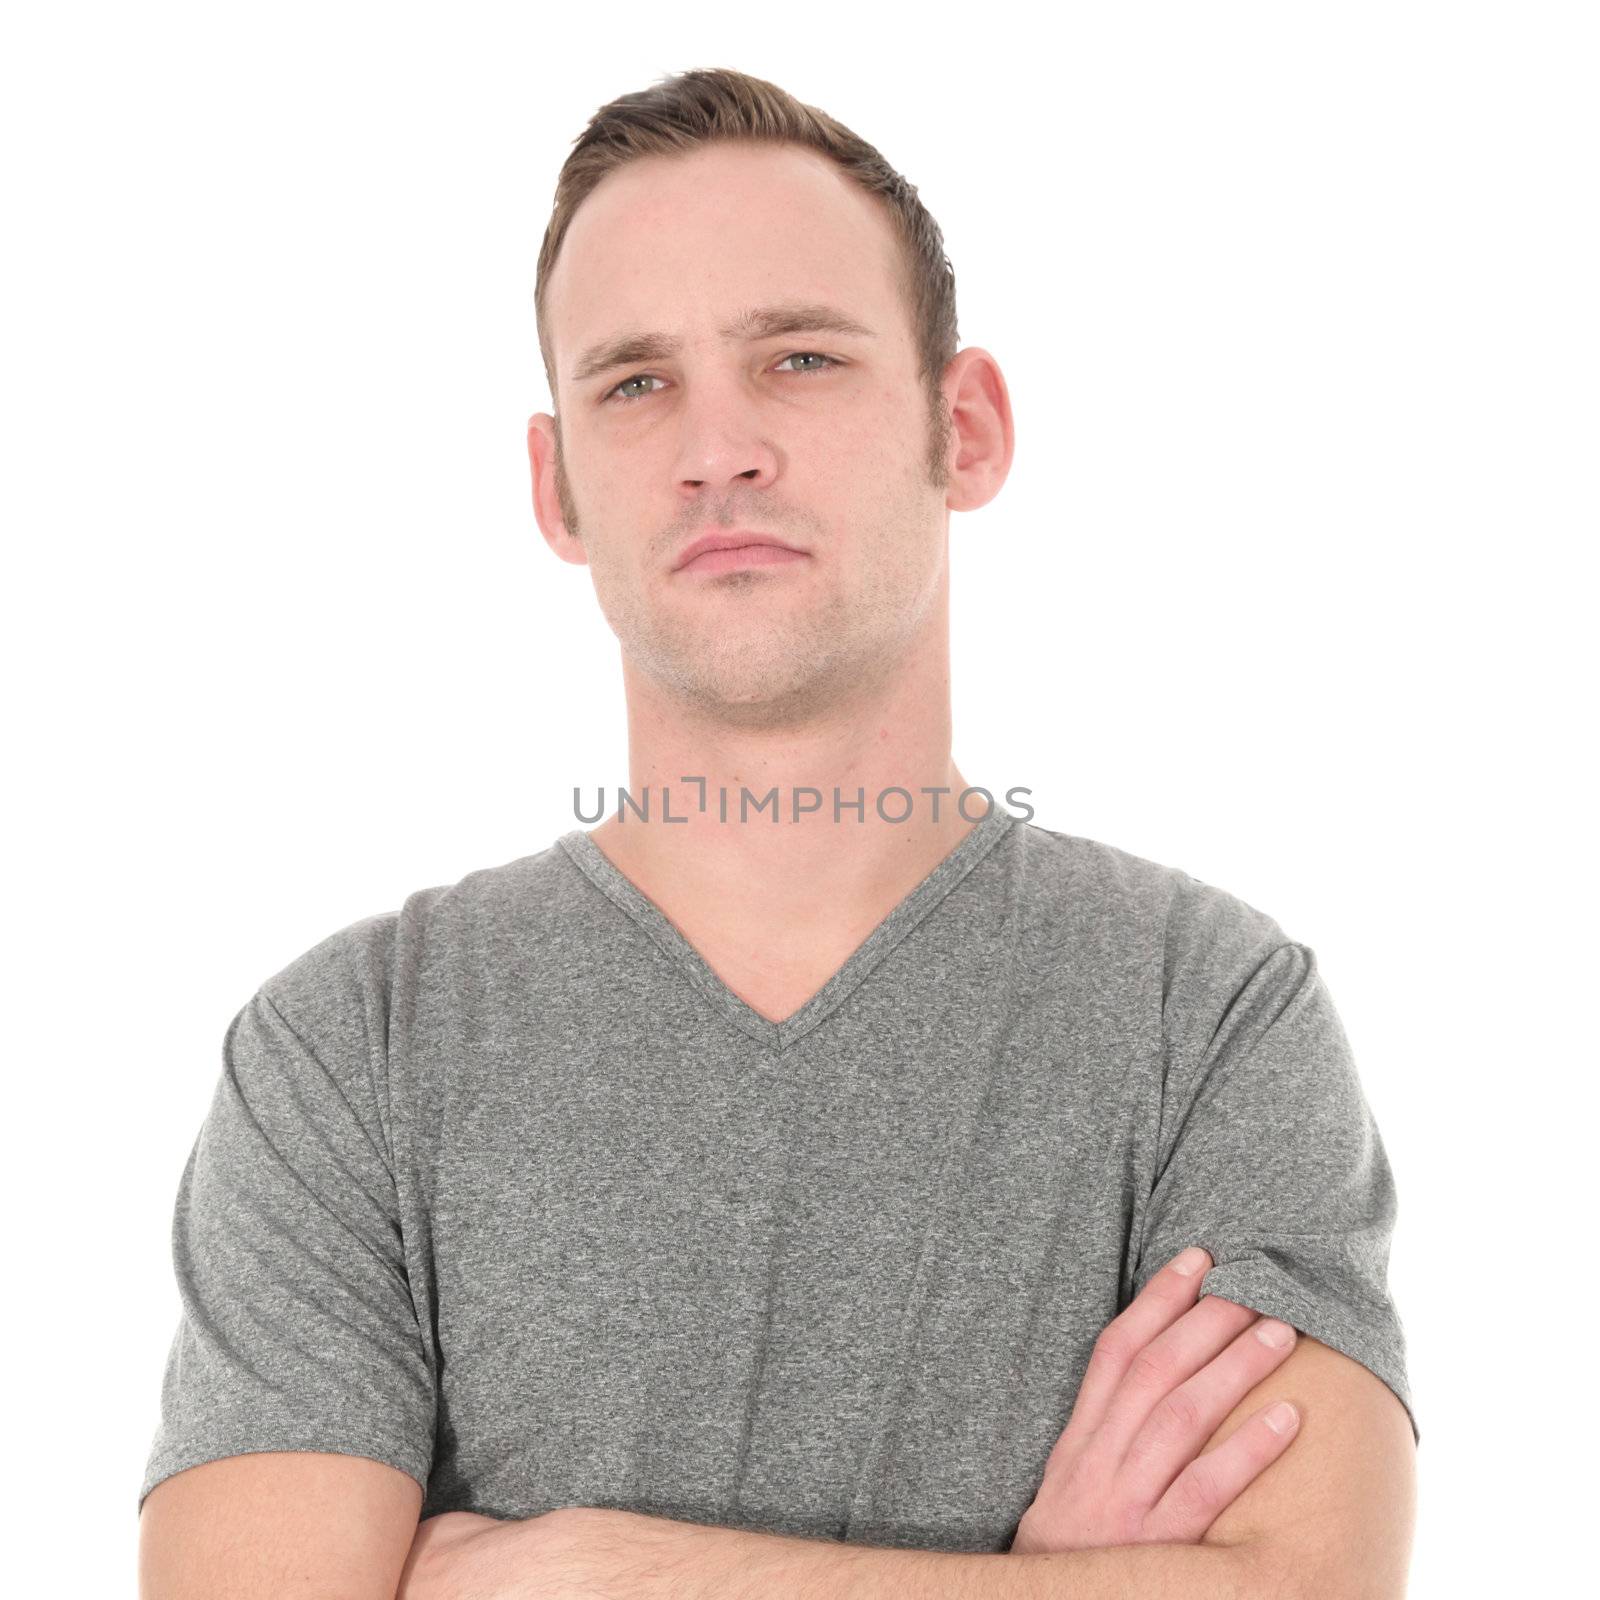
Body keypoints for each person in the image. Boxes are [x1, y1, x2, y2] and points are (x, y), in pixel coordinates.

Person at [137, 66, 1417, 1597]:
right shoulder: (350, 1053)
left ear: (968, 426)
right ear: (557, 489)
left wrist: (578, 1571)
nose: (718, 448)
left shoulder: (1205, 1015)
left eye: (799, 358)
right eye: (635, 383)